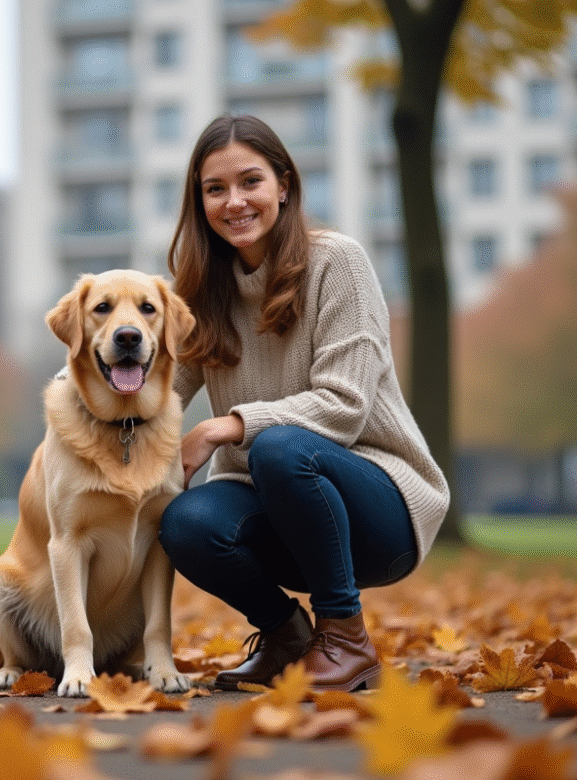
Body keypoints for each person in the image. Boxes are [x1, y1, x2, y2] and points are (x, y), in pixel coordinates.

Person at [159, 114, 449, 693]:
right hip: (278, 504)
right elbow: (158, 388)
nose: (234, 202)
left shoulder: (336, 263)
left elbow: (344, 405)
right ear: (199, 202)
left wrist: (224, 428)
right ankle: (287, 636)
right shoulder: (201, 292)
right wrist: (78, 407)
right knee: (185, 521)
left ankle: (345, 636)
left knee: (280, 447)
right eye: (215, 189)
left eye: (251, 182)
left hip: (379, 508)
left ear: (284, 185)